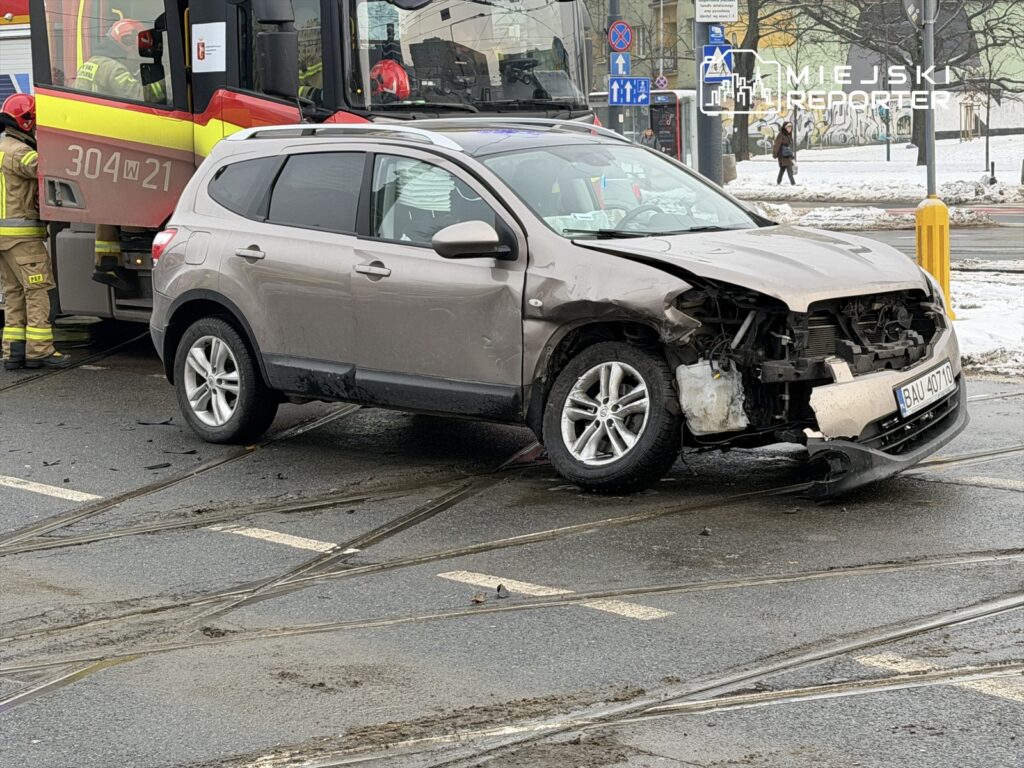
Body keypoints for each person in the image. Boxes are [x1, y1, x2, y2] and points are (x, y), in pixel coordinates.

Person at [74, 18, 166, 289]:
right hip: (110, 140)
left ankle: (107, 261)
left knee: (105, 204)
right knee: (121, 195)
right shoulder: (112, 67)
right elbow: (138, 95)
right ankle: (118, 251)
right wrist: (168, 82)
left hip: (93, 140)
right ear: (125, 42)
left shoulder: (91, 63)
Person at [0, 94, 70, 369]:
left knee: (14, 293)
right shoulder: (20, 152)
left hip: (5, 240)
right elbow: (49, 169)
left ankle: (13, 352)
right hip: (22, 239)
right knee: (38, 291)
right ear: (26, 122)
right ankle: (40, 350)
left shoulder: (2, 147)